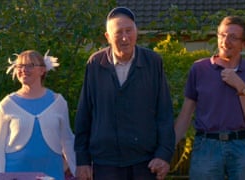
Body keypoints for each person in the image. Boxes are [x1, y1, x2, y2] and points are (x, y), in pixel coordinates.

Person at [74, 7, 175, 180]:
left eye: (129, 31)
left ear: (137, 31)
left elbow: (164, 112)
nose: (125, 38)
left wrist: (164, 154)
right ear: (107, 37)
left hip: (145, 161)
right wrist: (82, 160)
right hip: (105, 162)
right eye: (118, 32)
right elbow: (85, 113)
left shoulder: (152, 62)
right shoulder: (95, 64)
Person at [175, 16, 245, 179]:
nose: (226, 41)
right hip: (206, 147)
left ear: (244, 44)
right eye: (222, 35)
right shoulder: (199, 69)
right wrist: (165, 151)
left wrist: (241, 87)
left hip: (242, 147)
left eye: (233, 37)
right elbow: (185, 115)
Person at [0, 50, 76, 179]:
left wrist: (77, 170)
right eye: (19, 66)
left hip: (51, 172)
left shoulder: (58, 102)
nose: (23, 69)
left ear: (42, 70)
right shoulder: (7, 104)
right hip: (16, 174)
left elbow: (67, 140)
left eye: (30, 65)